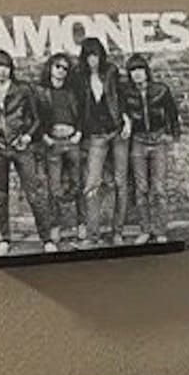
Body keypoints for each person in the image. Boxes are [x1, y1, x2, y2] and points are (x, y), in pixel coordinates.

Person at [0, 50, 56, 256]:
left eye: (7, 67)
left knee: (34, 193)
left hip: (21, 147)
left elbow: (37, 119)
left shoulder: (22, 90)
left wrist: (28, 136)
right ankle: (3, 239)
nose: (3, 71)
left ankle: (46, 239)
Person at [75, 37, 130, 246]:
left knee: (120, 182)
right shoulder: (79, 77)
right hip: (96, 135)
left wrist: (127, 120)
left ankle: (118, 232)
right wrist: (79, 131)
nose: (93, 60)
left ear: (101, 55)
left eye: (96, 55)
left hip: (117, 131)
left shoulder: (111, 71)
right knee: (92, 184)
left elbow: (120, 97)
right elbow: (77, 106)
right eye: (89, 56)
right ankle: (92, 235)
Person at [122, 53, 181, 244]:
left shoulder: (161, 90)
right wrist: (126, 121)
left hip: (158, 141)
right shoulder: (127, 93)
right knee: (141, 189)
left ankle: (160, 230)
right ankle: (145, 230)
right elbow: (121, 110)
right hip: (138, 142)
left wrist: (173, 137)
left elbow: (173, 114)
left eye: (139, 70)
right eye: (132, 71)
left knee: (159, 189)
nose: (137, 74)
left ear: (146, 71)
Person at [37, 53, 85, 246]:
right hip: (53, 142)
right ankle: (55, 225)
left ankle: (81, 223)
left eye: (65, 68)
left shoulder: (72, 91)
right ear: (50, 67)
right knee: (54, 187)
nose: (61, 71)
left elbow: (82, 113)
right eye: (58, 66)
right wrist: (43, 136)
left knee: (78, 182)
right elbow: (34, 115)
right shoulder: (41, 92)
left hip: (72, 140)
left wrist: (79, 132)